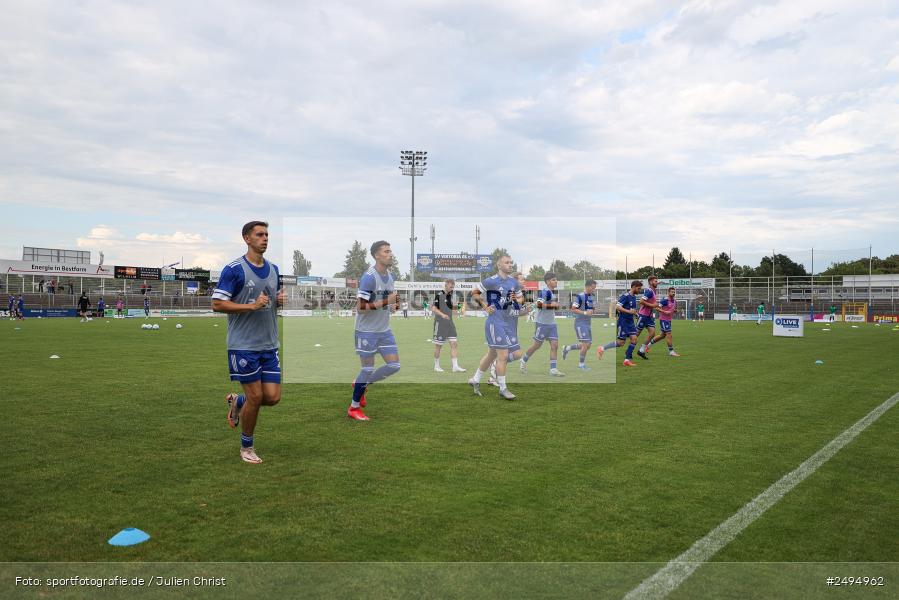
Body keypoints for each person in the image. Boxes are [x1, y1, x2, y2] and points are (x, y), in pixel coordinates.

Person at [212, 220, 283, 464]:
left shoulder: (274, 269)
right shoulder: (234, 269)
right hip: (243, 345)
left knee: (272, 397)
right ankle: (247, 448)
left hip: (269, 344)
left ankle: (237, 401)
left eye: (267, 234)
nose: (265, 238)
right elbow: (218, 304)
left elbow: (270, 301)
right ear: (247, 238)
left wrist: (279, 301)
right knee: (256, 396)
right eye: (260, 234)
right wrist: (251, 306)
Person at [349, 240, 402, 421]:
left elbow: (391, 298)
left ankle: (361, 384)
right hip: (366, 331)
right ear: (377, 255)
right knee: (367, 368)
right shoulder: (369, 277)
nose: (390, 254)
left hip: (384, 330)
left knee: (394, 366)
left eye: (390, 250)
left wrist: (394, 305)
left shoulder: (391, 276)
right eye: (386, 251)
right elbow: (360, 308)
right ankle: (353, 408)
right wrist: (388, 301)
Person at [468, 254, 520, 400]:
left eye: (511, 262)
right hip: (494, 323)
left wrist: (518, 302)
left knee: (492, 354)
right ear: (499, 265)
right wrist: (484, 305)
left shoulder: (514, 283)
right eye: (507, 262)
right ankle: (503, 388)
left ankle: (475, 379)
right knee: (502, 355)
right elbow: (474, 292)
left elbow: (520, 298)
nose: (510, 265)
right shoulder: (491, 281)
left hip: (507, 323)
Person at [520, 271, 565, 376]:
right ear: (548, 281)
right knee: (536, 346)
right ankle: (523, 361)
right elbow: (539, 304)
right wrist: (552, 305)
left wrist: (554, 305)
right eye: (554, 280)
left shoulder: (552, 292)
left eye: (556, 279)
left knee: (555, 345)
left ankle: (553, 370)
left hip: (552, 324)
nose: (556, 281)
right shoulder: (544, 292)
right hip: (542, 324)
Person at [596, 280, 642, 366]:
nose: (639, 291)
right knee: (621, 343)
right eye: (639, 288)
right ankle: (602, 348)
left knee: (634, 339)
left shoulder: (633, 297)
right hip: (623, 322)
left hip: (630, 322)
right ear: (634, 287)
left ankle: (627, 360)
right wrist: (629, 311)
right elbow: (617, 307)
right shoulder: (625, 296)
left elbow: (632, 310)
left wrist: (636, 313)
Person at [562, 279, 598, 371]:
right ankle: (581, 365)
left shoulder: (590, 297)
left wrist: (593, 310)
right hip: (580, 323)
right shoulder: (580, 296)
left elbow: (591, 309)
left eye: (594, 288)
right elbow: (573, 309)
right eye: (593, 288)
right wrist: (585, 313)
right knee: (585, 344)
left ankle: (567, 348)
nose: (594, 290)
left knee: (587, 345)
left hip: (587, 323)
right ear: (588, 286)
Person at [432, 278, 465, 373]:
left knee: (454, 344)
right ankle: (436, 366)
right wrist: (442, 315)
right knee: (438, 346)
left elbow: (448, 309)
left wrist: (457, 309)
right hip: (440, 323)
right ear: (445, 285)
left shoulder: (450, 296)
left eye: (453, 287)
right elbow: (434, 309)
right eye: (451, 287)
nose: (452, 288)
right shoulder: (439, 295)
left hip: (450, 323)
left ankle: (455, 366)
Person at [645, 287, 680, 357]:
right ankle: (671, 351)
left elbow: (671, 310)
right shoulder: (664, 300)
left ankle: (647, 346)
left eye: (674, 292)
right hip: (664, 320)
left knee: (662, 335)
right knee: (669, 334)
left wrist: (675, 311)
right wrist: (665, 312)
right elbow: (657, 307)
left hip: (669, 320)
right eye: (672, 292)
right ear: (668, 292)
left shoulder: (674, 301)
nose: (673, 293)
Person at [637, 275, 661, 360]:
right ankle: (628, 352)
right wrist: (653, 305)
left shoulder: (654, 291)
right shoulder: (649, 291)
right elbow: (641, 301)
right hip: (643, 315)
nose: (657, 282)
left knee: (652, 333)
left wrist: (656, 307)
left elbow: (653, 304)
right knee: (636, 335)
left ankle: (641, 350)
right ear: (650, 282)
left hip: (649, 316)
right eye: (655, 281)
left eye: (657, 281)